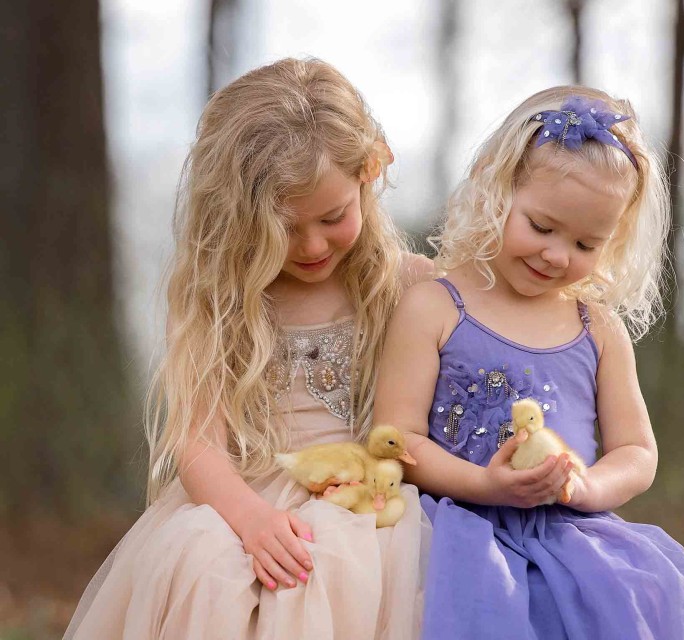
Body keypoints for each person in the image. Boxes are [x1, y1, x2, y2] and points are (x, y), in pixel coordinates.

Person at [66, 57, 433, 640]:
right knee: (207, 563)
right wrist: (253, 520)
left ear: (368, 176)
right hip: (248, 501)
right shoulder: (221, 300)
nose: (311, 245)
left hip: (374, 505)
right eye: (281, 228)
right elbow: (196, 440)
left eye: (333, 216)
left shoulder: (410, 287)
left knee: (360, 566)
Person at [375, 88, 684, 639]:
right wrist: (486, 485)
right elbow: (396, 436)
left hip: (568, 539)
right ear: (497, 190)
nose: (558, 255)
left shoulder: (598, 329)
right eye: (541, 227)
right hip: (454, 532)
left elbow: (637, 451)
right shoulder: (436, 307)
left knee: (642, 602)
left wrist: (586, 487)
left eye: (587, 243)